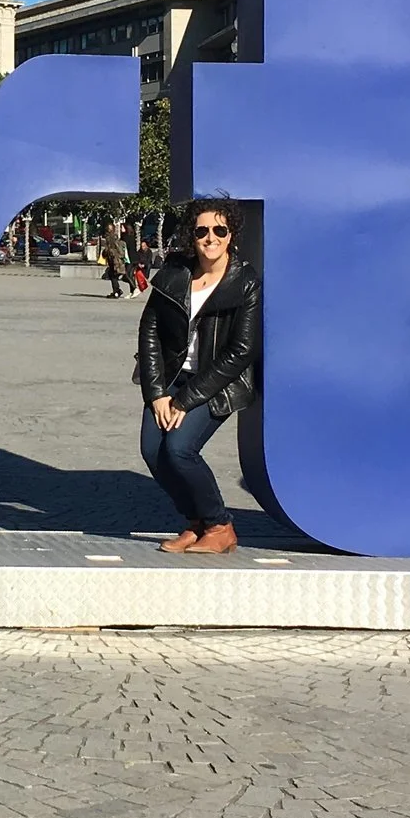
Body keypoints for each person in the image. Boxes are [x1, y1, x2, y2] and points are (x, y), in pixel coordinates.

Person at [135, 200, 260, 555]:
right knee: (152, 451)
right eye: (202, 231)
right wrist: (157, 393)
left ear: (231, 235)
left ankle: (220, 526)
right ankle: (197, 522)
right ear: (192, 235)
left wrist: (185, 401)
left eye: (219, 230)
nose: (210, 238)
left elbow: (241, 351)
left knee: (179, 450)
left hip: (215, 385)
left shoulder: (245, 282)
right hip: (170, 379)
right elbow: (150, 330)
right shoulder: (175, 272)